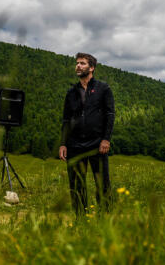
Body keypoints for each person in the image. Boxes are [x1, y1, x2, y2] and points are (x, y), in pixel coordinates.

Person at [59, 52, 115, 216]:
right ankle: (80, 220)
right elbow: (66, 120)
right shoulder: (71, 92)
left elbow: (110, 115)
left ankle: (106, 219)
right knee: (76, 184)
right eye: (77, 63)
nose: (78, 66)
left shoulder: (103, 89)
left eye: (82, 63)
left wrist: (106, 139)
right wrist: (63, 143)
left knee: (102, 184)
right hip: (75, 144)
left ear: (92, 68)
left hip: (97, 143)